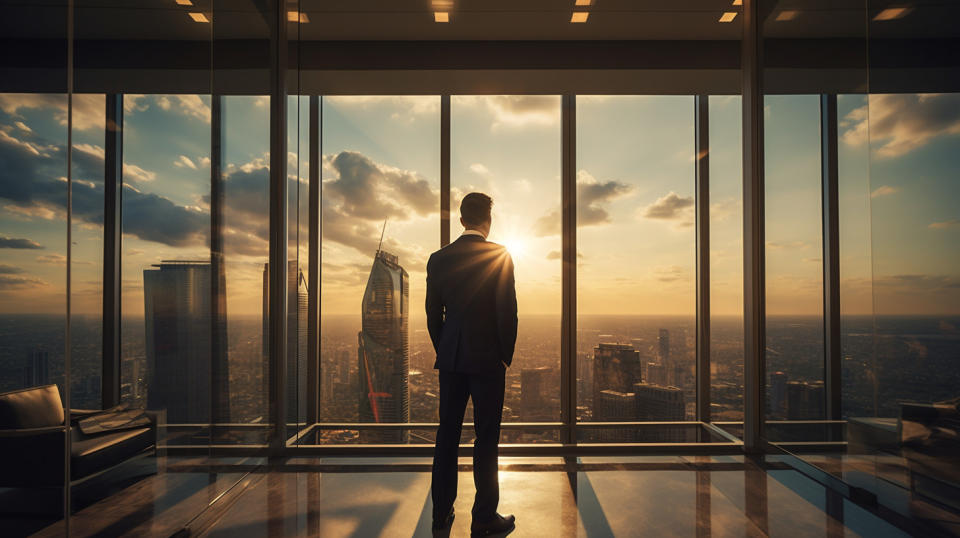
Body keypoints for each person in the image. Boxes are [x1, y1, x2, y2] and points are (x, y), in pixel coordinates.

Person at [427, 192, 518, 536]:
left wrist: (447, 349)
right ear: (487, 221)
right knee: (486, 439)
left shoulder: (438, 259)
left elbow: (433, 315)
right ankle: (483, 517)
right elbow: (507, 313)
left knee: (446, 437)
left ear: (462, 220)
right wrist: (502, 356)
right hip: (487, 363)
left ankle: (440, 515)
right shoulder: (499, 255)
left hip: (451, 360)